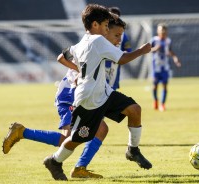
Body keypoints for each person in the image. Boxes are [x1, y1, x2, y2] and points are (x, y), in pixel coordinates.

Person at [2, 14, 132, 179]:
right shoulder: (94, 45)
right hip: (70, 93)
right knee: (68, 137)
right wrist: (79, 72)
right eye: (116, 34)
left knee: (101, 129)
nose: (119, 40)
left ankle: (80, 168)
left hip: (84, 95)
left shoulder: (104, 49)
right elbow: (62, 57)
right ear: (104, 31)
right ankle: (22, 132)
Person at [43, 4, 152, 181]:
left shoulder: (83, 41)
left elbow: (63, 56)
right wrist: (142, 50)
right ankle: (54, 161)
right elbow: (122, 59)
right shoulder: (97, 40)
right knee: (77, 138)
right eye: (106, 26)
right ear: (95, 25)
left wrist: (78, 71)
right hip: (89, 99)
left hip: (103, 92)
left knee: (134, 109)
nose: (107, 29)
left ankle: (133, 150)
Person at [150, 23, 181, 111]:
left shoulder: (168, 41)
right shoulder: (154, 40)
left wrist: (175, 58)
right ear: (158, 31)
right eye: (160, 30)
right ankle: (155, 100)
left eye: (164, 30)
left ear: (166, 31)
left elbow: (170, 51)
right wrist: (155, 48)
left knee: (164, 86)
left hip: (165, 67)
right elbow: (148, 50)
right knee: (155, 86)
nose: (162, 32)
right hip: (156, 67)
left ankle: (162, 104)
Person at [105, 6, 132, 90]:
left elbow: (128, 50)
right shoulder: (101, 32)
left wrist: (120, 55)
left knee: (112, 88)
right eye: (112, 17)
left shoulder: (123, 35)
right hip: (102, 63)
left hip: (115, 65)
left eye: (116, 17)